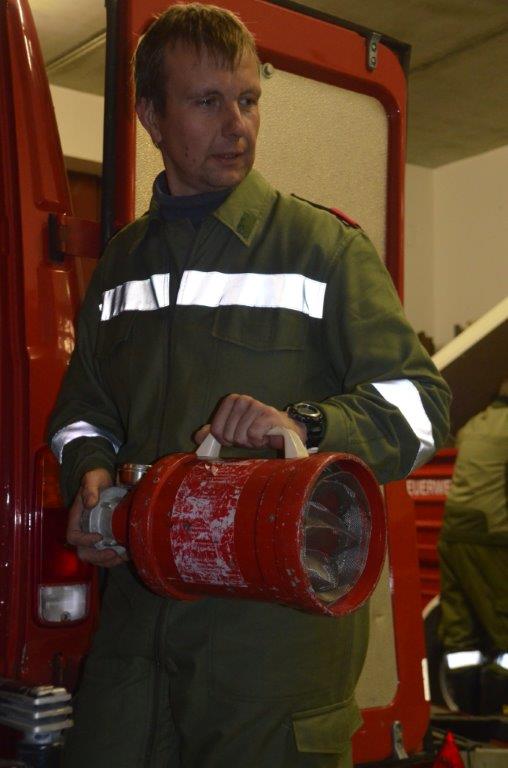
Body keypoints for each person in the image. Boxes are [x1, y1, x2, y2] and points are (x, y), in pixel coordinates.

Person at [48, 4, 451, 766]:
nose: (238, 125)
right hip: (135, 644)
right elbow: (82, 412)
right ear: (151, 116)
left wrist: (305, 426)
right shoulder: (122, 265)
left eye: (248, 99)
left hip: (270, 661)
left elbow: (422, 409)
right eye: (208, 101)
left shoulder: (324, 250)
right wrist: (90, 473)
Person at [438, 382, 508, 715]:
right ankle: (497, 713)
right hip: (489, 537)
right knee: (504, 629)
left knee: (461, 630)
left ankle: (468, 715)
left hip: (451, 533)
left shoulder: (475, 423)